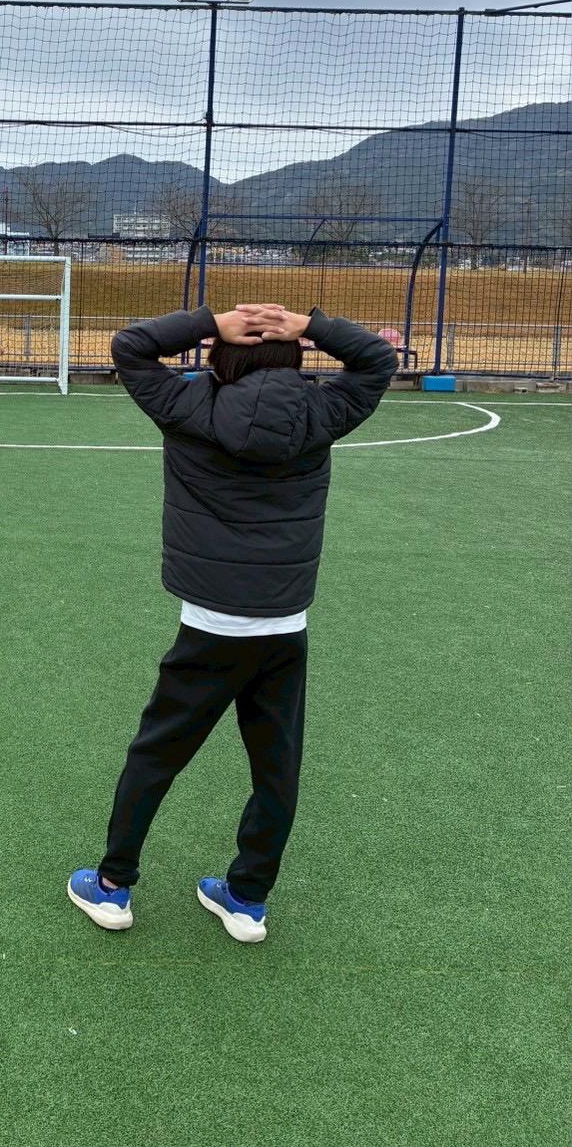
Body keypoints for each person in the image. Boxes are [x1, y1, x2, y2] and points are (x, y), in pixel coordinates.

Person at [68, 301, 398, 940]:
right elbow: (378, 359)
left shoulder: (188, 405)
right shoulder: (320, 413)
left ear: (220, 357)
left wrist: (209, 321)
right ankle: (247, 900)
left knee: (156, 755)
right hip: (284, 628)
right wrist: (311, 326)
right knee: (276, 769)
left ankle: (111, 887)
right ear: (296, 358)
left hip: (211, 627)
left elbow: (131, 344)